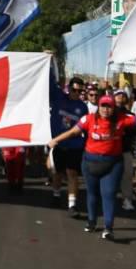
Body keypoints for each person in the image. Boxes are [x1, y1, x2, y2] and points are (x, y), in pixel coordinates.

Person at [48, 96, 136, 240]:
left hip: (112, 164)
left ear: (113, 108)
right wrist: (56, 140)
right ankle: (91, 221)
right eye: (103, 106)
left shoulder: (121, 119)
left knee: (108, 194)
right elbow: (73, 131)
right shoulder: (89, 119)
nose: (105, 109)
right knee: (92, 194)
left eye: (109, 106)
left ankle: (108, 228)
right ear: (99, 106)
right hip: (90, 163)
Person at [48, 79, 88, 214]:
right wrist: (48, 60)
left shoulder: (83, 107)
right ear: (68, 88)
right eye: (74, 90)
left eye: (80, 91)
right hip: (58, 144)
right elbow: (48, 80)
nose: (77, 93)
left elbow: (85, 128)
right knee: (57, 173)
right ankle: (56, 194)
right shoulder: (58, 97)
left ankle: (72, 205)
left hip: (74, 145)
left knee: (72, 173)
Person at [113, 89, 136, 210]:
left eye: (123, 96)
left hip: (125, 150)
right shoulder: (107, 113)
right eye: (117, 95)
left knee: (127, 176)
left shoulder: (130, 115)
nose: (120, 97)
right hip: (109, 151)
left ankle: (127, 199)